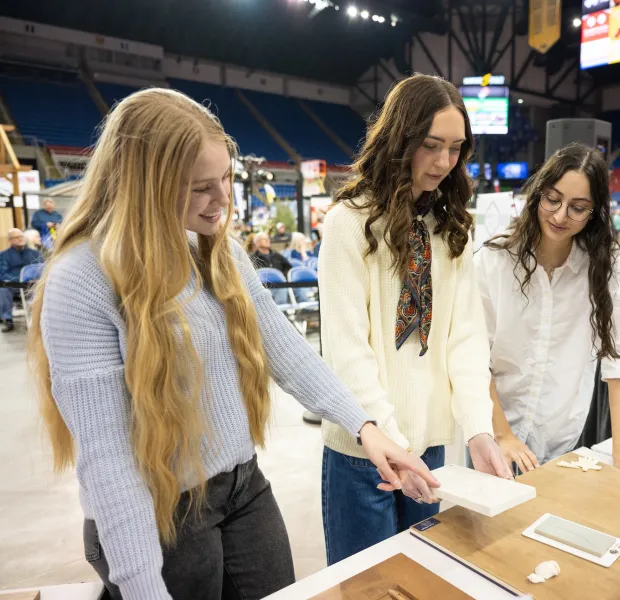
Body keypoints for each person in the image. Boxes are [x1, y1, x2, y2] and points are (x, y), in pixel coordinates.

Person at [27, 88, 438, 600]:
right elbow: (109, 464)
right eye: (200, 187)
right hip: (157, 510)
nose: (222, 199)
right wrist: (140, 586)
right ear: (144, 184)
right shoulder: (82, 280)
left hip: (242, 485)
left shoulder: (214, 250)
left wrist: (365, 427)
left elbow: (285, 350)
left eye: (226, 178)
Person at [318, 73, 511, 566]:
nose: (445, 163)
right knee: (369, 586)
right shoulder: (349, 222)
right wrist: (389, 438)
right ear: (400, 140)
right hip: (364, 451)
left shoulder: (449, 229)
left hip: (429, 449)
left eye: (455, 148)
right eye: (431, 146)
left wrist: (477, 429)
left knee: (424, 578)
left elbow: (465, 337)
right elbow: (346, 349)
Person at [474, 143, 620, 483]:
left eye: (578, 207)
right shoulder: (494, 259)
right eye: (552, 199)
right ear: (537, 194)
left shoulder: (611, 271)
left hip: (560, 438)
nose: (560, 216)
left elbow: (617, 361)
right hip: (491, 435)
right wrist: (503, 435)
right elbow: (475, 356)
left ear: (594, 212)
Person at [0, 228, 43, 332]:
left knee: (45, 286)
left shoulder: (35, 253)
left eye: (21, 236)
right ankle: (7, 320)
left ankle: (42, 319)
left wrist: (36, 279)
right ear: (10, 240)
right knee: (3, 289)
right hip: (15, 285)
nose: (20, 239)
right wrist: (19, 280)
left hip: (32, 284)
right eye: (17, 237)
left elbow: (42, 269)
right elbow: (3, 274)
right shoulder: (4, 255)